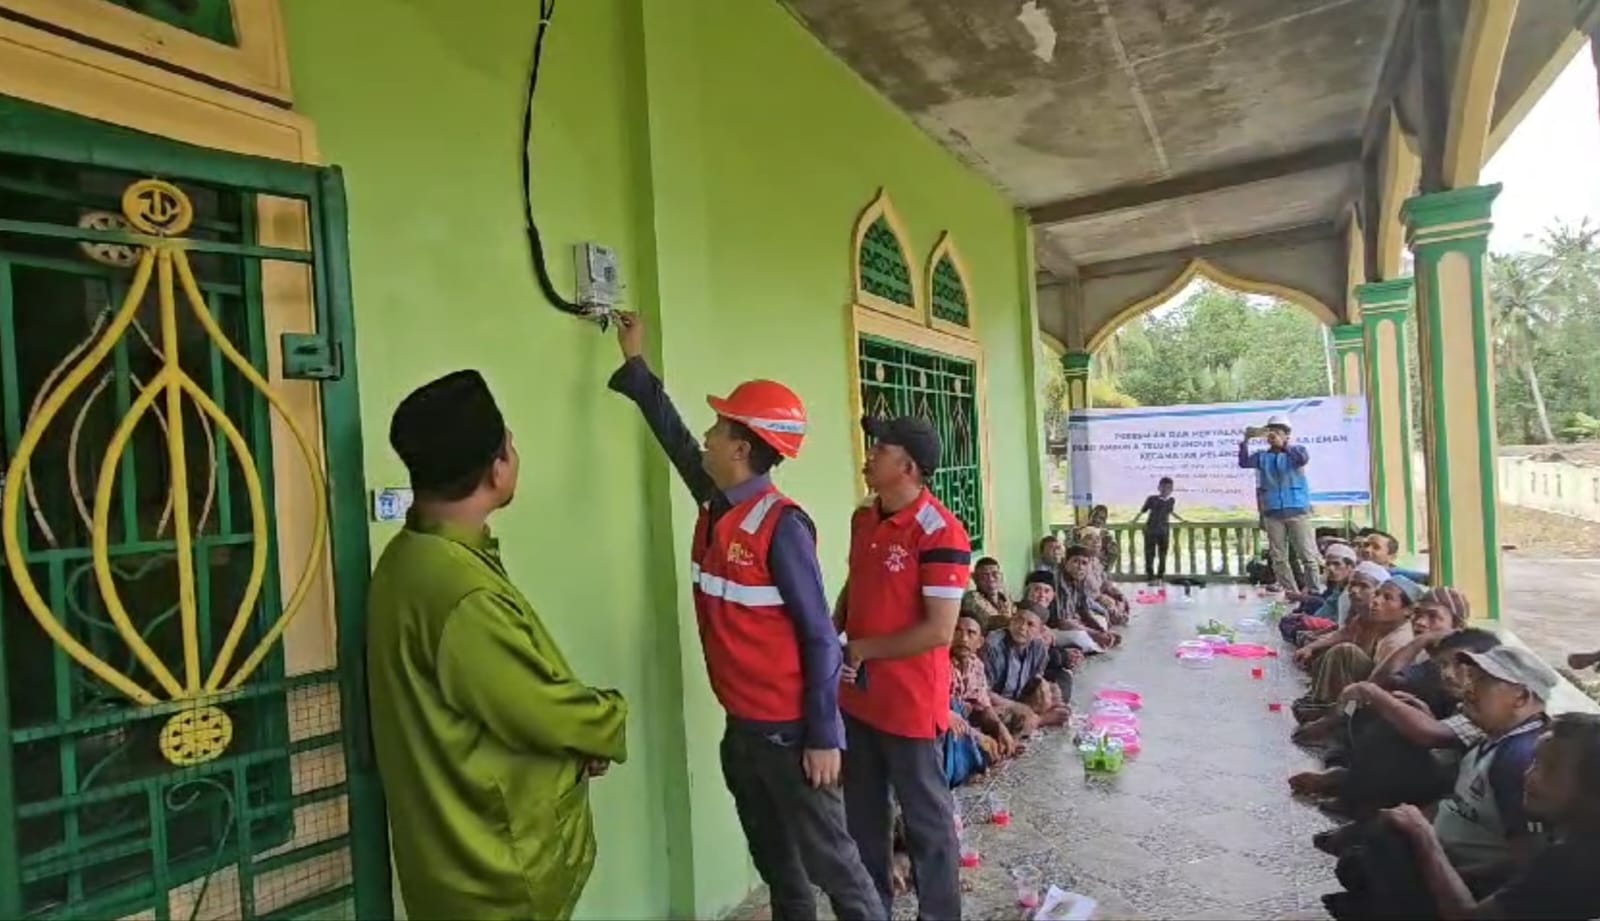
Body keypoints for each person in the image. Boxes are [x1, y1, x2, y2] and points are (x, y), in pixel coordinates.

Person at [608, 314, 879, 919]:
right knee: (781, 870)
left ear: (740, 447)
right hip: (745, 734)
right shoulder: (717, 502)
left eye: (718, 427)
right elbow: (678, 441)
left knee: (839, 872)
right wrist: (637, 366)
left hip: (792, 737)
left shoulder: (782, 527)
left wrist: (824, 735)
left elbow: (818, 636)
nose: (706, 436)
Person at [368, 370, 630, 919]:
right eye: (510, 442)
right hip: (492, 872)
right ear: (496, 468)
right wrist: (602, 722)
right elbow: (532, 706)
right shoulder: (458, 589)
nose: (515, 452)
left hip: (445, 859)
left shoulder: (408, 559)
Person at [837, 414, 968, 920]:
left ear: (908, 466)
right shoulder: (864, 517)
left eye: (879, 449)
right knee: (863, 818)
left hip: (911, 704)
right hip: (859, 697)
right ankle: (872, 911)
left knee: (926, 823)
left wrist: (862, 648)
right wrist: (834, 628)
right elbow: (858, 584)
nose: (868, 455)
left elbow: (939, 630)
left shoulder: (940, 532)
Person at [1326, 646, 1559, 919]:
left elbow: (1526, 867)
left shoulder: (1518, 759)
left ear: (1520, 696)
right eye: (1471, 678)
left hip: (1464, 880)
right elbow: (1458, 802)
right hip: (1443, 855)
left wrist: (1435, 862)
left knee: (1378, 856)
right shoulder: (1494, 738)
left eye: (1482, 682)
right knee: (1361, 858)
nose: (1469, 689)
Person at [1382, 713, 1600, 919]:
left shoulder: (1575, 863)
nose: (1530, 775)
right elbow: (1527, 872)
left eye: (1550, 769)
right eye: (1535, 762)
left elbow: (1467, 918)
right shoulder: (1569, 833)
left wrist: (1424, 837)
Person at [1293, 568, 1417, 723]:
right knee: (1327, 651)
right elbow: (1344, 633)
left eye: (1387, 598)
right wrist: (1311, 647)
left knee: (1346, 652)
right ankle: (1320, 703)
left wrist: (1339, 717)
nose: (1376, 601)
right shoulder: (1374, 619)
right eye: (1377, 594)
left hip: (1384, 707)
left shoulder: (1399, 642)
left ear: (1408, 611)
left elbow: (1377, 690)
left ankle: (1336, 716)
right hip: (1368, 690)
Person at [1238, 414, 1322, 593]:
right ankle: (1292, 592)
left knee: (1307, 556)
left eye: (1277, 432)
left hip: (1298, 510)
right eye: (1270, 432)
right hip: (1272, 512)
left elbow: (1302, 459)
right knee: (1279, 558)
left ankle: (1314, 591)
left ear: (1286, 435)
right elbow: (1244, 462)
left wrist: (1284, 446)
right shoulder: (1262, 457)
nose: (1273, 435)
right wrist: (1245, 440)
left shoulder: (1297, 451)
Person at [982, 602, 1070, 728]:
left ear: (1039, 631)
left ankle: (1033, 718)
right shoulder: (993, 645)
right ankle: (1040, 720)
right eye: (1018, 620)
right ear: (1011, 620)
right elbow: (984, 693)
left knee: (1056, 688)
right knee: (992, 718)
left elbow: (1035, 681)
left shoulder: (1039, 647)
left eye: (1030, 624)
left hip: (1018, 698)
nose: (1022, 627)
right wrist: (1017, 707)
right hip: (994, 703)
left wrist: (1051, 694)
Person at [950, 616, 1021, 757]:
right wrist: (980, 738)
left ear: (980, 642)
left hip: (966, 722)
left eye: (971, 633)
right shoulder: (941, 664)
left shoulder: (976, 665)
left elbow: (984, 706)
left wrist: (1001, 730)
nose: (963, 639)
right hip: (948, 724)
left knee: (1005, 720)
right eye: (957, 631)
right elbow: (946, 712)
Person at [1131, 476, 1180, 583]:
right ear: (1159, 487)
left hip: (1164, 530)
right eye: (1164, 487)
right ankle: (1150, 576)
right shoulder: (1152, 499)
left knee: (1163, 554)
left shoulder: (1171, 500)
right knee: (1150, 554)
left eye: (1169, 488)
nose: (1166, 490)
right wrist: (1134, 521)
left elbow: (1170, 512)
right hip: (1151, 530)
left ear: (1171, 489)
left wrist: (1182, 520)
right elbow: (1142, 511)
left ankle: (1160, 576)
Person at [1360, 529, 1429, 589]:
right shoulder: (1354, 568)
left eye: (1376, 547)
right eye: (1366, 545)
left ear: (1391, 557)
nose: (1367, 549)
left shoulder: (1395, 576)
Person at [962, 556, 1016, 631]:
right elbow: (987, 622)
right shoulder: (970, 598)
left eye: (995, 574)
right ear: (975, 578)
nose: (991, 579)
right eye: (984, 576)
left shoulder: (1006, 598)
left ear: (1001, 576)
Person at [1087, 504, 1119, 570]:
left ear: (1104, 522)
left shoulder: (1107, 537)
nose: (1097, 520)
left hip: (1098, 569)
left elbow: (1112, 556)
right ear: (1090, 516)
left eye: (1101, 518)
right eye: (1095, 516)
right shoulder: (1078, 532)